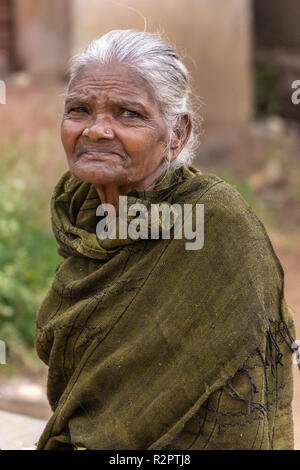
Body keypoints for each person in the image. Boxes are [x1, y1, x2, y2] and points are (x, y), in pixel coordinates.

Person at [35, 29, 298, 450]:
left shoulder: (214, 224)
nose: (97, 130)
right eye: (79, 110)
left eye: (128, 114)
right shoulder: (82, 213)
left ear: (176, 134)